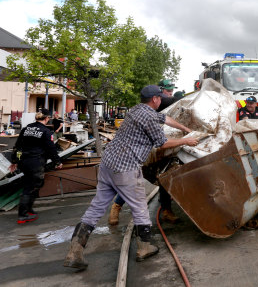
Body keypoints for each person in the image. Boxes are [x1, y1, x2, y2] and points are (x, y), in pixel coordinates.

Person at [64, 85, 199, 270]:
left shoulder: (136, 110)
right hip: (126, 167)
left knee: (97, 207)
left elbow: (165, 118)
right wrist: (186, 140)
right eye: (160, 97)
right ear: (155, 100)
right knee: (139, 206)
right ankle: (144, 247)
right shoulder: (150, 116)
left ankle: (75, 250)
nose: (161, 99)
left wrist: (185, 128)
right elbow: (162, 143)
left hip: (108, 163)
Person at [108, 79, 185, 225]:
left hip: (162, 145)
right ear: (158, 94)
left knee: (165, 176)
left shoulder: (165, 102)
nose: (170, 94)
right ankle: (116, 206)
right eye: (167, 91)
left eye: (171, 91)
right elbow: (172, 101)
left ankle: (167, 211)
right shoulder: (155, 103)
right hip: (143, 147)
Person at [9, 109, 63, 224]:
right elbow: (51, 148)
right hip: (35, 162)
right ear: (47, 118)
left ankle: (28, 210)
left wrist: (14, 161)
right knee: (31, 187)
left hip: (24, 161)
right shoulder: (46, 131)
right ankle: (22, 215)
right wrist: (57, 162)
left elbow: (17, 146)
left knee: (33, 185)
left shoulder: (26, 128)